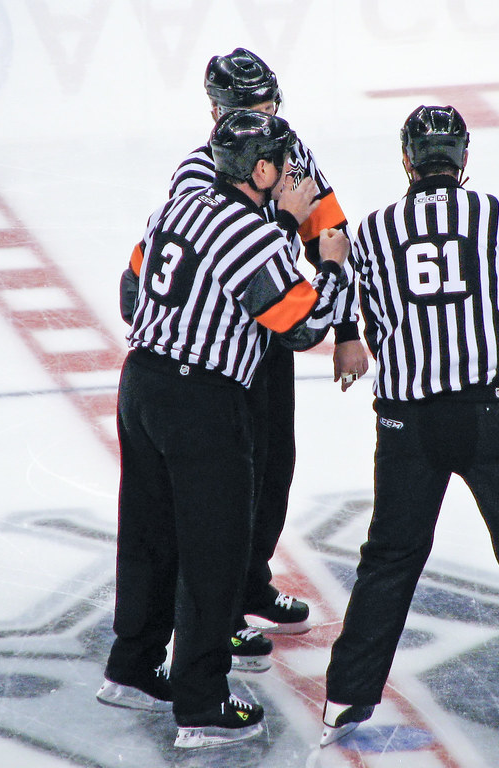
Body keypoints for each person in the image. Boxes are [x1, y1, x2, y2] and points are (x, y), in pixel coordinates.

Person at [320, 105, 499, 753]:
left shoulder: (375, 230)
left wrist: (337, 259)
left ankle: (345, 697)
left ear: (406, 161)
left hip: (410, 419)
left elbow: (359, 310)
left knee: (389, 561)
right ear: (464, 160)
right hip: (496, 410)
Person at [97, 109, 349, 749]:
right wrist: (326, 258)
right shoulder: (253, 234)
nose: (293, 176)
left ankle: (130, 667)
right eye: (282, 166)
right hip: (201, 401)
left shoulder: (179, 207)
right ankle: (202, 702)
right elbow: (301, 326)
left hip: (141, 384)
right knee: (214, 553)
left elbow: (131, 287)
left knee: (149, 535)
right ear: (260, 170)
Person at [120, 47, 369, 670]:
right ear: (215, 113)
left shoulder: (288, 148)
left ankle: (246, 582)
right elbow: (249, 258)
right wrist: (281, 217)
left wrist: (347, 328)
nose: (264, 117)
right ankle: (219, 613)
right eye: (249, 109)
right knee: (223, 491)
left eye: (269, 105)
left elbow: (329, 230)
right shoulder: (197, 176)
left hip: (263, 341)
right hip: (218, 355)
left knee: (272, 467)